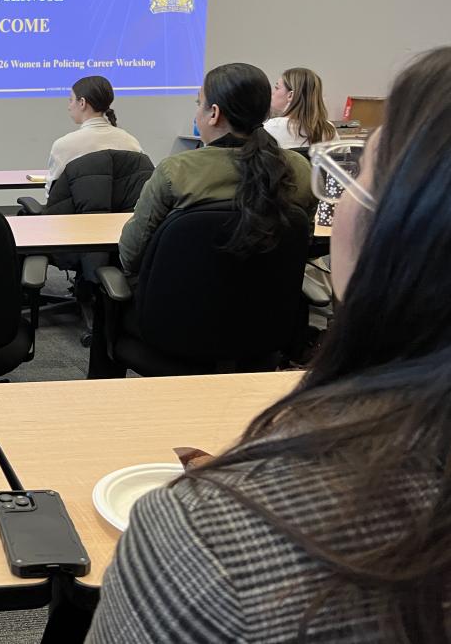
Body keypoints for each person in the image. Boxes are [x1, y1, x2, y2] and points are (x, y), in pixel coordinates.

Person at [88, 47, 451, 641]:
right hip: (261, 344)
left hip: (167, 337)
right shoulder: (294, 176)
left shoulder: (206, 543)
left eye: (359, 171)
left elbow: (129, 255)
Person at [118, 62, 317, 272]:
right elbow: (302, 247)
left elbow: (131, 256)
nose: (196, 113)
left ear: (214, 113)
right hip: (273, 303)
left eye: (198, 103)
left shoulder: (175, 172)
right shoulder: (300, 169)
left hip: (184, 302)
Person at [44, 75, 143, 198]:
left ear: (82, 103)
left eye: (71, 100)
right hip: (123, 217)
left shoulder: (64, 145)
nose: (69, 107)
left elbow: (52, 194)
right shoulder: (131, 142)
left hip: (75, 216)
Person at [264, 66, 338, 148]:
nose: (272, 92)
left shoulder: (269, 127)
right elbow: (344, 159)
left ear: (291, 95)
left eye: (277, 88)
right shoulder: (329, 130)